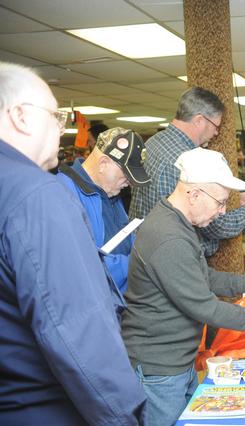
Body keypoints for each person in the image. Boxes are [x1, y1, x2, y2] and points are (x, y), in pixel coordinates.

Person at [0, 62, 146, 424]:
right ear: (19, 115)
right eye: (56, 115)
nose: (63, 127)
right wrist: (126, 416)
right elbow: (75, 327)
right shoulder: (38, 194)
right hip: (43, 404)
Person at [121, 147, 245, 426]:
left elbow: (203, 276)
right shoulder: (170, 238)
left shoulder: (176, 222)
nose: (223, 211)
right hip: (160, 367)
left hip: (178, 359)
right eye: (220, 202)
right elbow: (204, 306)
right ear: (194, 194)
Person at [129, 86, 245, 256]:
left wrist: (232, 199)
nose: (217, 133)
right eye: (216, 125)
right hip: (173, 255)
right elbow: (214, 226)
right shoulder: (186, 159)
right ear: (200, 120)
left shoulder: (152, 143)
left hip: (146, 247)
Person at [56, 127, 151, 294]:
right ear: (103, 164)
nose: (129, 183)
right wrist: (141, 264)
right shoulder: (63, 195)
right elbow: (84, 266)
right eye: (126, 174)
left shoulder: (109, 190)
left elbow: (122, 238)